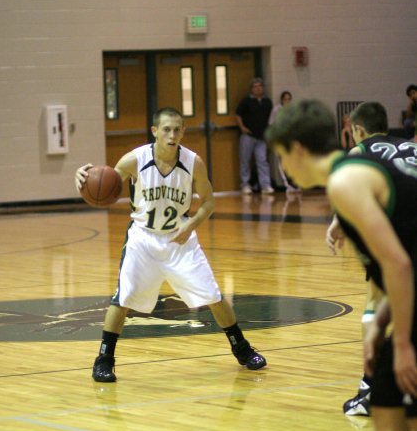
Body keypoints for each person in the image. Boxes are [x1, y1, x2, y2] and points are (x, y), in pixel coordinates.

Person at [266, 99, 417, 431]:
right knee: (389, 399)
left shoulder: (346, 182)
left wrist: (404, 340)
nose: (281, 166)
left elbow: (400, 264)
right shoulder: (357, 169)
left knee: (396, 380)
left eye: (279, 155)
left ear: (295, 149)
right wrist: (382, 322)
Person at [75, 107, 266, 383]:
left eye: (177, 129)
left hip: (181, 239)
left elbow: (209, 202)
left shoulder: (193, 162)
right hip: (143, 240)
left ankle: (243, 349)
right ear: (155, 131)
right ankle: (104, 359)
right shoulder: (134, 159)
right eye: (166, 129)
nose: (172, 134)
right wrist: (80, 178)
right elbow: (104, 182)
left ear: (183, 132)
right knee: (123, 298)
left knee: (214, 295)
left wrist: (192, 224)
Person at [327, 101, 417, 417]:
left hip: (402, 232)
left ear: (357, 130)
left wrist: (338, 223)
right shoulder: (409, 146)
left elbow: (353, 187)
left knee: (376, 301)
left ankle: (369, 387)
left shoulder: (359, 152)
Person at [235, 77, 274, 195]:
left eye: (260, 86)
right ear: (251, 89)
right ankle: (245, 184)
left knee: (262, 161)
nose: (258, 88)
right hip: (248, 136)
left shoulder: (267, 101)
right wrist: (242, 127)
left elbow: (271, 117)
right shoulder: (246, 101)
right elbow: (238, 115)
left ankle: (265, 185)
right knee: (245, 161)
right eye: (255, 86)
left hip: (262, 137)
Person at [269, 91, 300, 192]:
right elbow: (271, 124)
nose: (288, 101)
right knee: (282, 162)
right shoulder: (276, 110)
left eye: (289, 99)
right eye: (286, 99)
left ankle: (295, 183)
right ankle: (287, 185)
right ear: (282, 100)